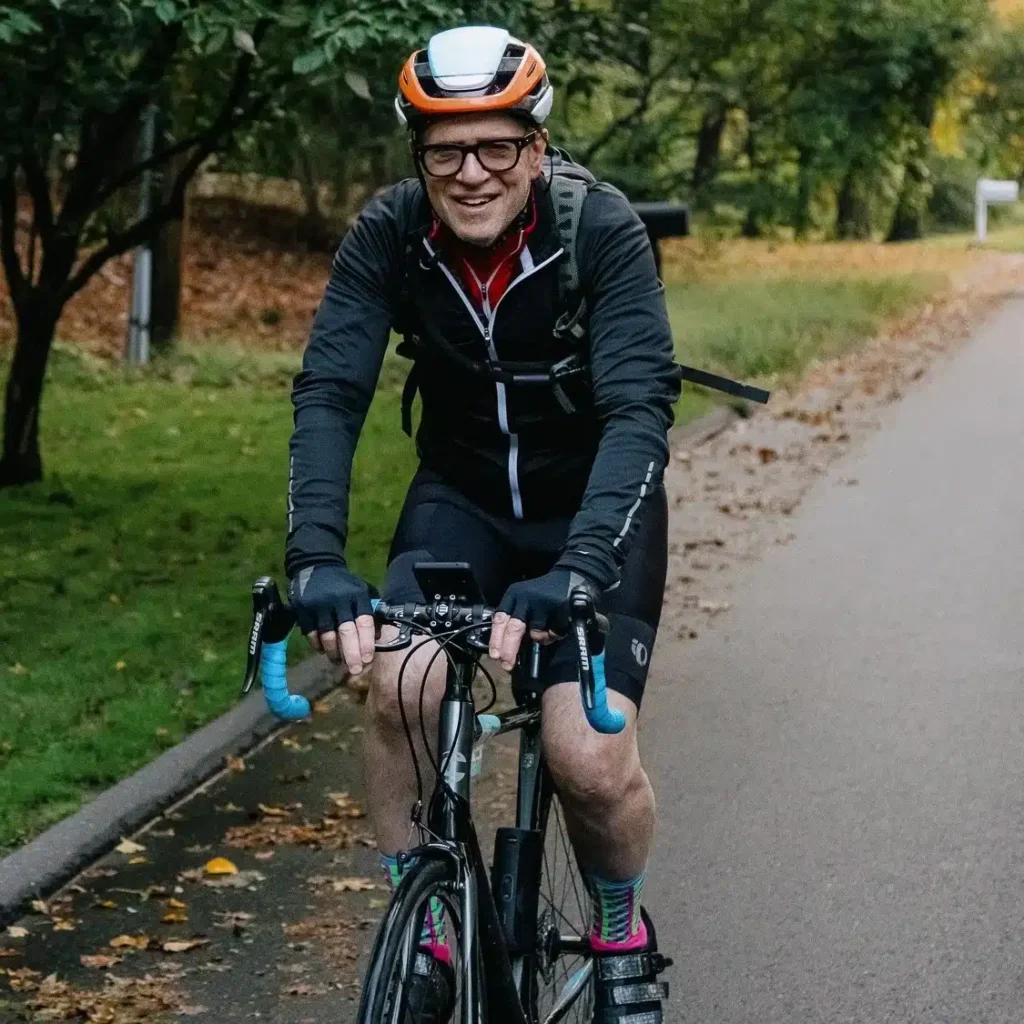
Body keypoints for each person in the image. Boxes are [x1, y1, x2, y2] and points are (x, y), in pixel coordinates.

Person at [285, 25, 678, 1023]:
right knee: (400, 688)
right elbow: (331, 389)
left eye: (496, 145)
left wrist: (580, 570)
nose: (471, 173)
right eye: (444, 150)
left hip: (591, 509)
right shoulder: (389, 234)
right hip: (461, 499)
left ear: (536, 148)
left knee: (584, 757)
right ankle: (424, 928)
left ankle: (621, 931)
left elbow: (638, 413)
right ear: (418, 156)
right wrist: (317, 557)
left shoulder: (601, 231)